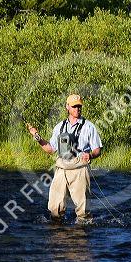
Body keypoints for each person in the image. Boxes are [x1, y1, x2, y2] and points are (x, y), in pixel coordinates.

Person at [28, 94, 102, 224]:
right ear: (67, 107)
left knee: (83, 212)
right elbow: (51, 149)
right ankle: (58, 235)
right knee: (55, 210)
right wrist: (37, 136)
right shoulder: (59, 127)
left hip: (79, 169)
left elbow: (97, 150)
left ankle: (81, 236)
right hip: (61, 169)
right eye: (74, 106)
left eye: (79, 106)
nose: (77, 109)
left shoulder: (89, 126)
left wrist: (90, 155)